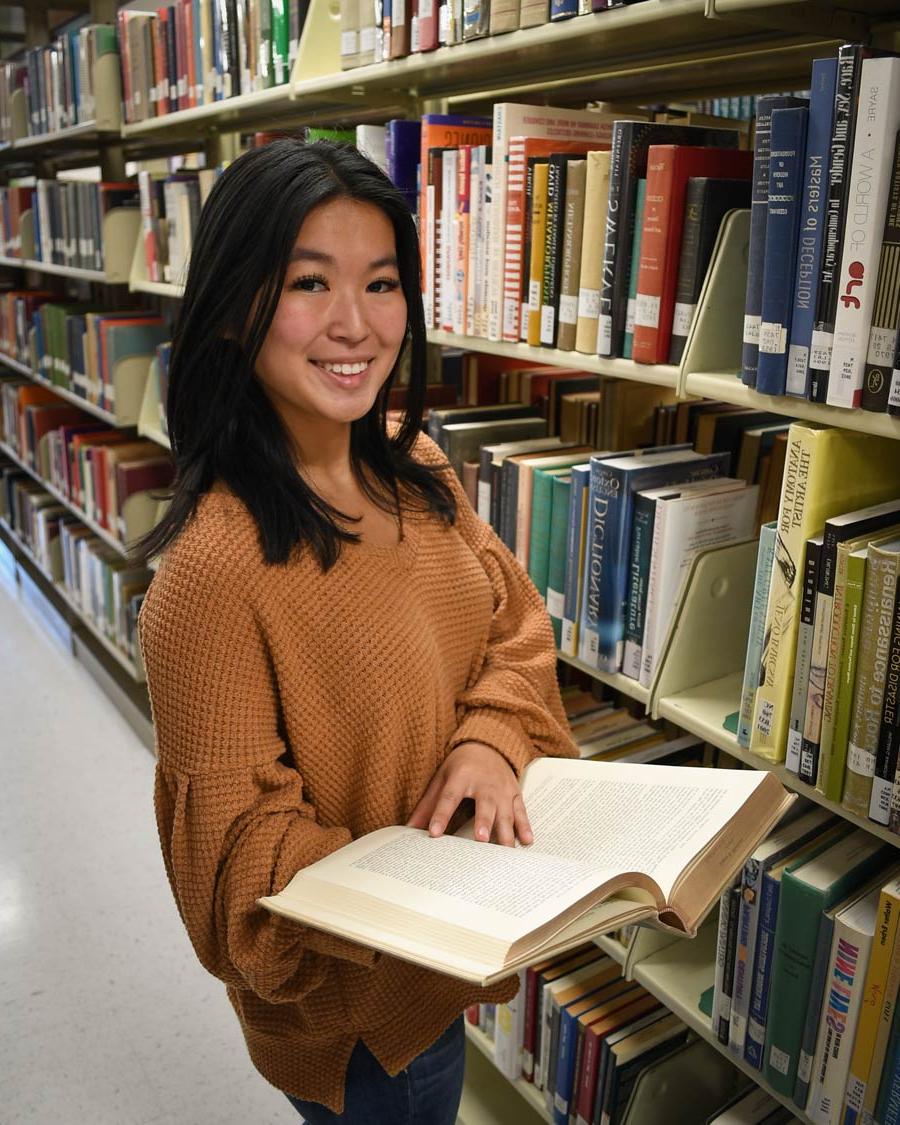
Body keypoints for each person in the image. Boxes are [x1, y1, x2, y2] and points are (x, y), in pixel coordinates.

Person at [137, 138, 580, 1124]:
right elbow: (240, 879)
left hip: (441, 973)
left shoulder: (411, 459)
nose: (354, 325)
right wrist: (449, 877)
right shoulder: (212, 578)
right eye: (308, 282)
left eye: (381, 283)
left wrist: (491, 743)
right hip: (363, 1028)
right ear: (231, 310)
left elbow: (513, 624)